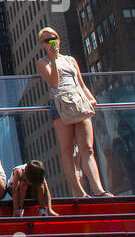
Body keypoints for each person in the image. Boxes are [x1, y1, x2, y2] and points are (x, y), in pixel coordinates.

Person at [36, 27, 110, 198]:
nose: (51, 42)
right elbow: (54, 82)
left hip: (78, 101)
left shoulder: (70, 60)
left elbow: (81, 84)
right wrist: (53, 59)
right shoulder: (43, 62)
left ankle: (98, 189)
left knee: (87, 148)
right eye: (47, 40)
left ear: (59, 39)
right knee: (67, 150)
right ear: (43, 45)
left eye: (53, 38)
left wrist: (91, 99)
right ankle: (79, 191)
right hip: (60, 104)